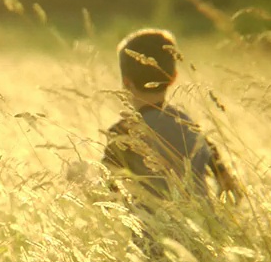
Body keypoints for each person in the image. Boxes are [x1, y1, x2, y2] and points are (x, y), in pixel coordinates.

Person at [102, 28, 240, 202]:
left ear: (126, 82)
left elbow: (107, 195)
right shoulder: (189, 126)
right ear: (173, 77)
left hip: (151, 226)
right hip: (202, 225)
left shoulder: (123, 132)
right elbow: (230, 187)